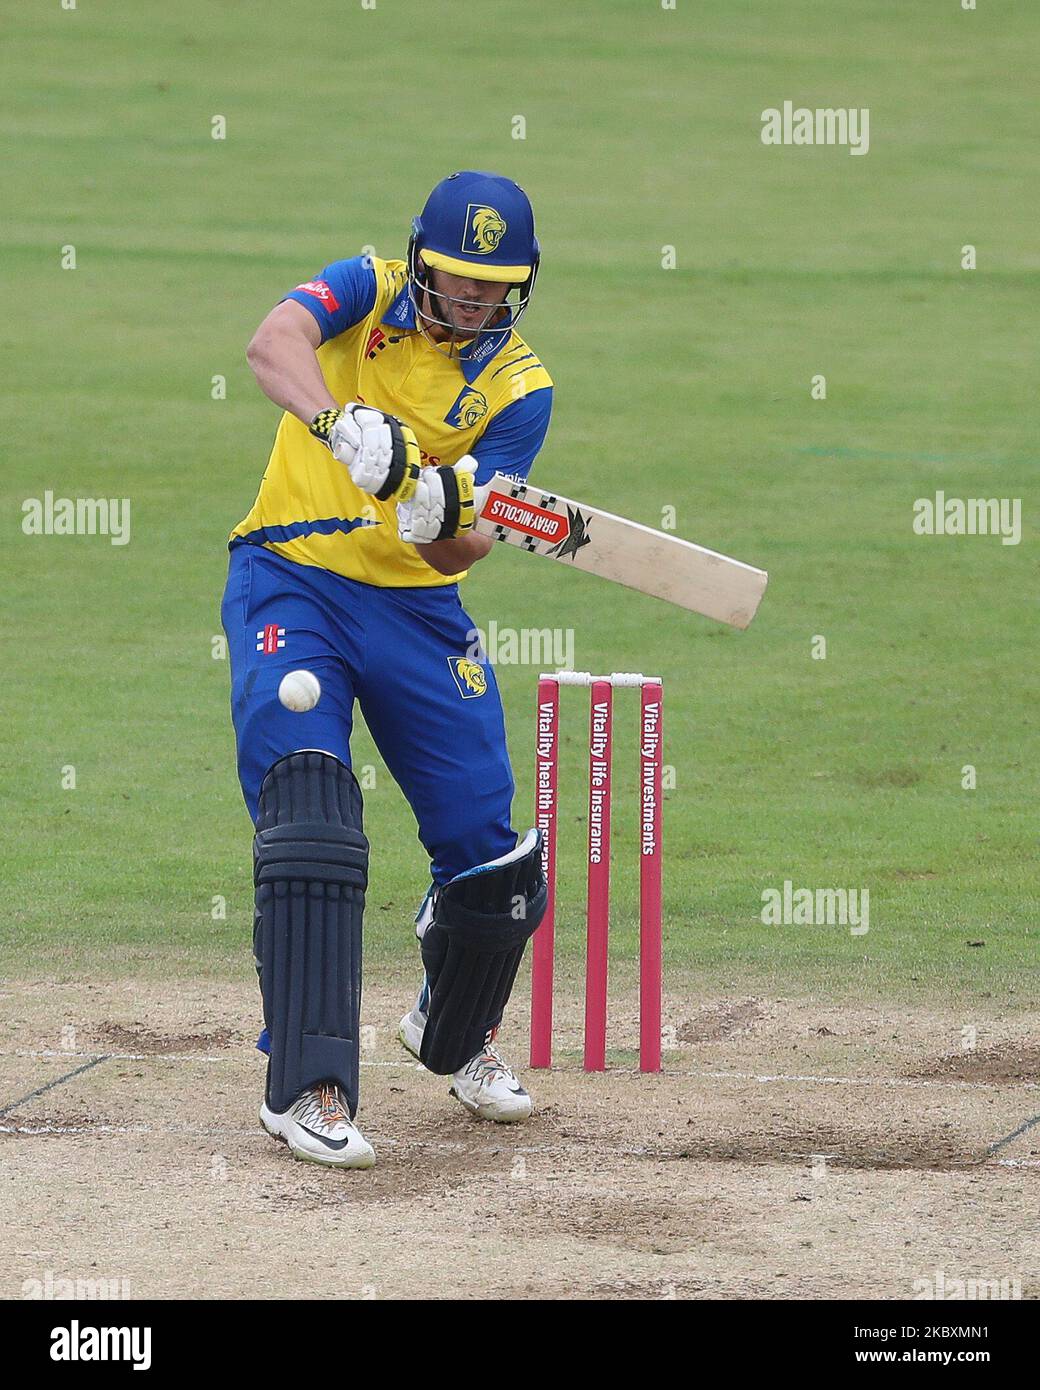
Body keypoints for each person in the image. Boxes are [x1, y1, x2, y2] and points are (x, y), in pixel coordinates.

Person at [221, 171, 553, 1168]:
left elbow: (471, 550)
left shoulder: (517, 390)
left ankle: (454, 1034)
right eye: (455, 279)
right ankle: (307, 1083)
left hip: (416, 607)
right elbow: (269, 343)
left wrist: (437, 513)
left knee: (492, 866)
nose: (469, 301)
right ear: (420, 262)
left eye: (491, 287)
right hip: (291, 574)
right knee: (312, 814)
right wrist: (341, 426)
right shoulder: (361, 290)